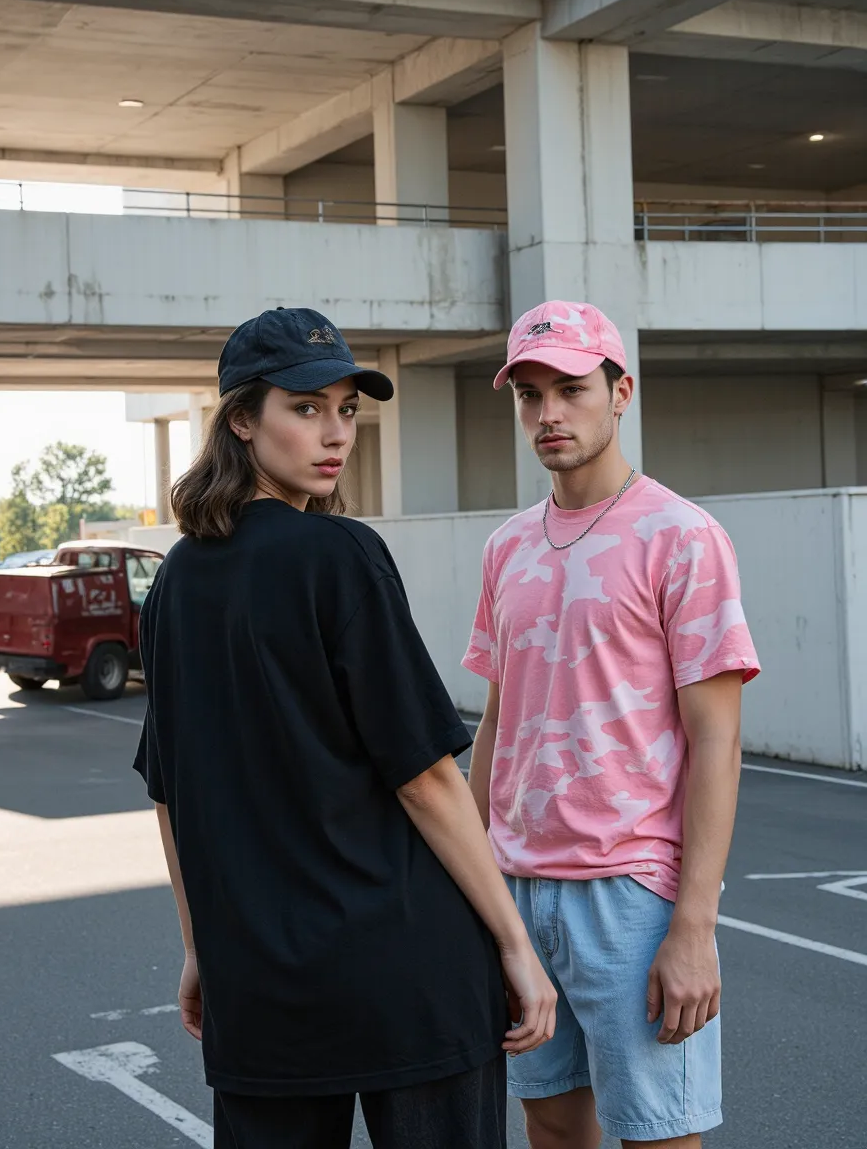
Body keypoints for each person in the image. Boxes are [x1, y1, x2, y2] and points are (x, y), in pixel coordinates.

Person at [132, 306, 557, 1149]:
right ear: (242, 419)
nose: (335, 434)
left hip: (259, 982)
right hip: (405, 968)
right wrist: (514, 943)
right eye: (306, 408)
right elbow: (425, 776)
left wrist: (199, 948)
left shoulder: (176, 580)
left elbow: (170, 791)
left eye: (347, 410)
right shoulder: (340, 555)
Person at [463, 301, 760, 1149]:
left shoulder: (683, 537)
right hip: (518, 890)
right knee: (552, 1128)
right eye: (528, 394)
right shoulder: (507, 547)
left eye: (570, 388)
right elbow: (495, 723)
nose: (548, 413)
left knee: (660, 1136)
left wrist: (693, 927)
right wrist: (473, 881)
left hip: (629, 893)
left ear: (620, 390)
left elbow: (718, 742)